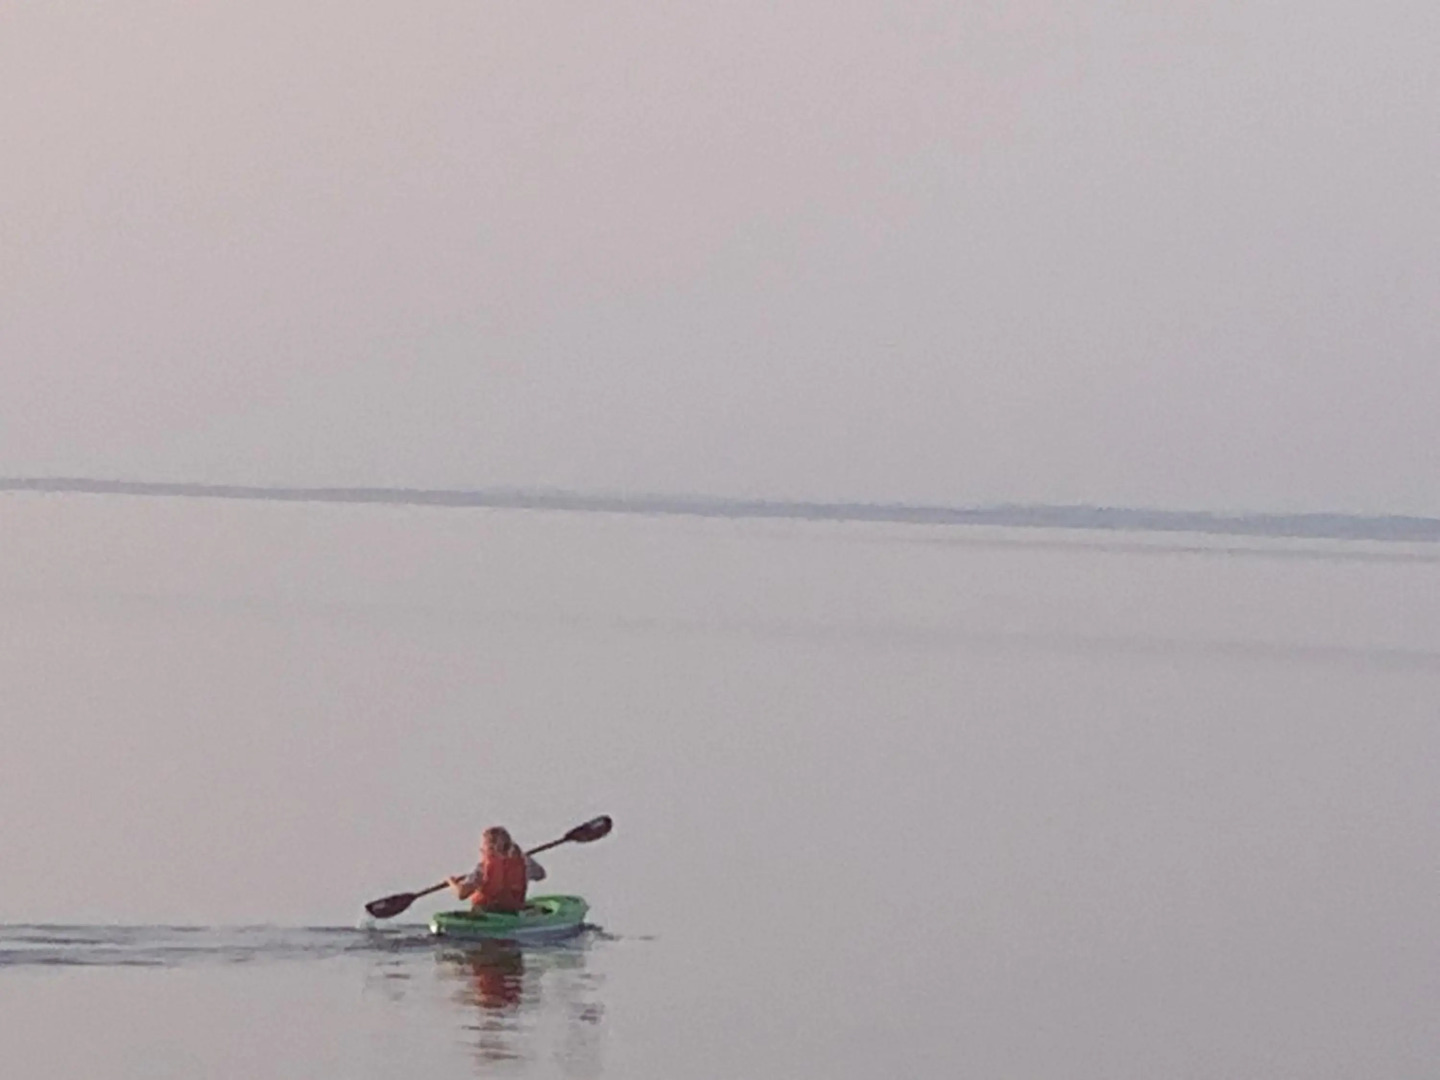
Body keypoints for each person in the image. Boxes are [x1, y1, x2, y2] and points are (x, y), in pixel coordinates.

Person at [448, 826, 547, 914]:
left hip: (486, 914)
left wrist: (452, 883)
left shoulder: (483, 869)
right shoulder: (525, 862)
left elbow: (461, 893)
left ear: (488, 849)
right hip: (513, 914)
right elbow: (541, 875)